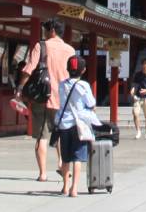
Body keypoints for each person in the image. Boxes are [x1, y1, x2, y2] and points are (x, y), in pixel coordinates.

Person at [17, 19, 74, 183]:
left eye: (45, 30)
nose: (44, 33)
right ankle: (63, 166)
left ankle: (43, 173)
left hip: (42, 97)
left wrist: (20, 88)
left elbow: (29, 68)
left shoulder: (41, 46)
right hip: (63, 98)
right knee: (62, 134)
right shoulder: (70, 50)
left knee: (42, 136)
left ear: (52, 31)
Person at [53, 56, 97, 197]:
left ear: (67, 69)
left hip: (64, 124)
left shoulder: (62, 84)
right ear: (83, 70)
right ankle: (74, 188)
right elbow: (91, 103)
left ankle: (65, 187)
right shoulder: (84, 86)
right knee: (77, 157)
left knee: (65, 157)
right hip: (79, 125)